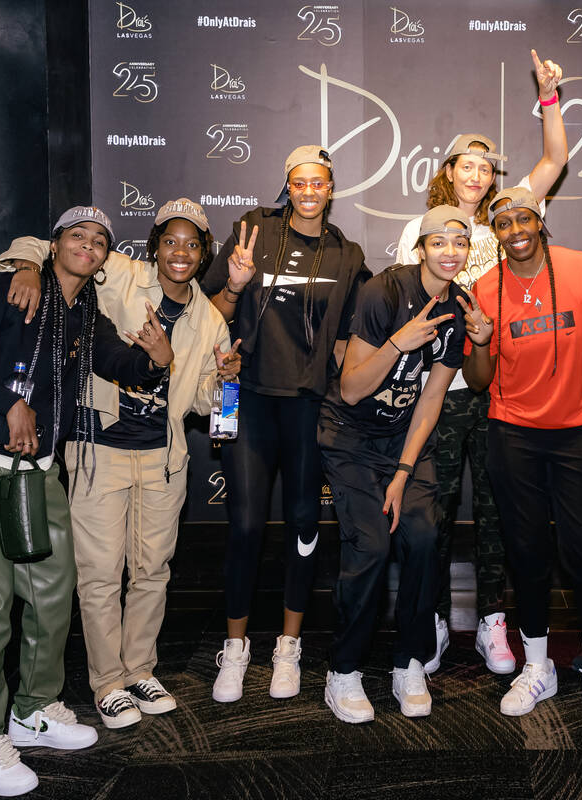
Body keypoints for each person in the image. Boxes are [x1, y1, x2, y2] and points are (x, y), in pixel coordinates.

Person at [0, 206, 172, 797]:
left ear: (106, 256)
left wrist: (156, 362)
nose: (88, 244)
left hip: (35, 468)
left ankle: (33, 707)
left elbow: (117, 362)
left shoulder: (83, 313)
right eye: (76, 235)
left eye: (99, 239)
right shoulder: (10, 291)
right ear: (53, 244)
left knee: (53, 592)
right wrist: (6, 400)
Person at [0, 198, 240, 728]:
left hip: (163, 459)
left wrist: (224, 381)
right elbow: (54, 247)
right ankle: (107, 681)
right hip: (99, 451)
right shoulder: (120, 273)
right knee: (101, 573)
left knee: (152, 571)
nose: (180, 252)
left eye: (192, 244)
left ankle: (139, 669)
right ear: (154, 246)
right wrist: (27, 267)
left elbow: (204, 404)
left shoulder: (210, 319)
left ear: (203, 255)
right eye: (170, 241)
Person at [393, 49, 568, 676]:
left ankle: (495, 618)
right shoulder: (425, 226)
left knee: (499, 511)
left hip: (501, 389)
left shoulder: (507, 217)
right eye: (466, 165)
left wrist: (549, 98)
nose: (477, 174)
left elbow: (554, 162)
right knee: (433, 511)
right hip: (439, 390)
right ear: (448, 172)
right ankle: (436, 618)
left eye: (485, 167)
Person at [199, 146, 370, 703]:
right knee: (246, 528)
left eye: (320, 182)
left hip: (306, 403)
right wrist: (237, 282)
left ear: (331, 188)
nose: (310, 191)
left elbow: (354, 332)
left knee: (302, 526)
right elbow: (212, 313)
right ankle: (237, 648)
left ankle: (288, 647)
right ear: (288, 185)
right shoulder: (251, 230)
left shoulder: (347, 253)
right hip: (246, 400)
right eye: (300, 181)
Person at [462, 187, 582, 727]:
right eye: (504, 222)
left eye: (523, 218)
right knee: (527, 553)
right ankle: (536, 667)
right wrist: (483, 341)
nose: (515, 230)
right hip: (513, 434)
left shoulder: (581, 267)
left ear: (541, 220)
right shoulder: (485, 287)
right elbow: (478, 379)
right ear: (496, 232)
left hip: (578, 430)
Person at [317, 205, 471, 722]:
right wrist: (398, 343)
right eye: (440, 242)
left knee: (424, 538)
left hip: (403, 441)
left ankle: (409, 662)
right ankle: (344, 671)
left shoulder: (459, 309)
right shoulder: (384, 291)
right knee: (372, 544)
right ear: (420, 247)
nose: (450, 251)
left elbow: (431, 398)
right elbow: (353, 386)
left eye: (460, 242)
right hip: (351, 434)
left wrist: (404, 474)